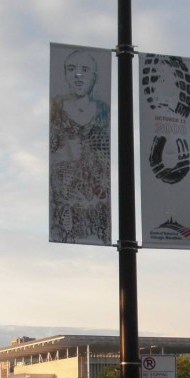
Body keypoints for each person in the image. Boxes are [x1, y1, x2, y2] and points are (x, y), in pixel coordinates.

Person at [49, 48, 111, 245]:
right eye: (72, 69)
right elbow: (51, 156)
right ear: (65, 75)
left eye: (85, 70)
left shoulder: (103, 114)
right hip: (66, 210)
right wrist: (62, 155)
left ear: (94, 77)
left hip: (97, 210)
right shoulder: (57, 113)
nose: (78, 75)